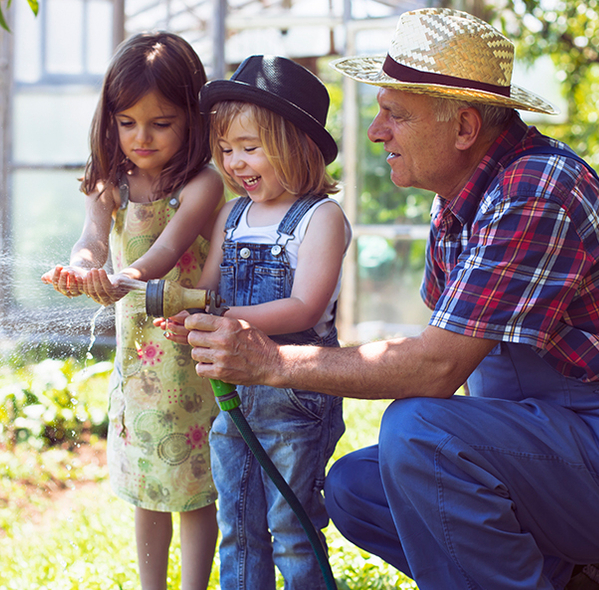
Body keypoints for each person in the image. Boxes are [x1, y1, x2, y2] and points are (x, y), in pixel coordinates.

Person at [173, 9, 599, 590]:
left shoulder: (534, 192)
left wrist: (274, 362)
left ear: (464, 128)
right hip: (557, 439)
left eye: (395, 115)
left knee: (420, 432)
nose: (376, 132)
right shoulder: (459, 201)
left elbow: (437, 369)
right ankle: (570, 577)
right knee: (357, 489)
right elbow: (452, 361)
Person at [40, 31, 224, 590]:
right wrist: (80, 269)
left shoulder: (202, 184)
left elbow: (167, 249)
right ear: (109, 120)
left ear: (192, 119)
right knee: (146, 485)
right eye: (127, 122)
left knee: (193, 490)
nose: (141, 137)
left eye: (161, 123)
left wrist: (124, 276)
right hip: (138, 371)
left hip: (191, 358)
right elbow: (91, 239)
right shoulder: (111, 183)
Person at [160, 55, 351, 590]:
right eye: (225, 150)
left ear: (296, 145)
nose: (235, 162)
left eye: (250, 147)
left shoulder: (320, 218)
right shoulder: (232, 215)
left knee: (290, 524)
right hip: (235, 394)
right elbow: (210, 288)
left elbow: (305, 307)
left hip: (296, 393)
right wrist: (192, 314)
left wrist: (225, 319)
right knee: (237, 524)